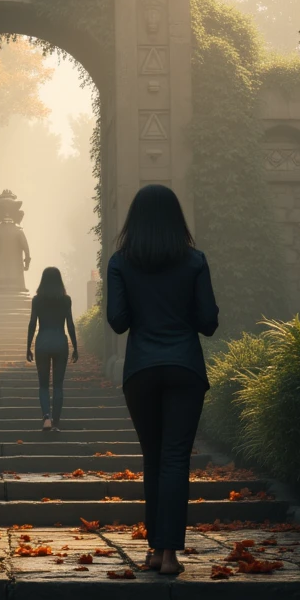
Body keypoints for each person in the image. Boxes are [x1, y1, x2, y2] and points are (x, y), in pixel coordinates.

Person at [107, 184, 219, 576]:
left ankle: (155, 551)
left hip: (141, 370)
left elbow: (118, 322)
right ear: (177, 219)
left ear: (134, 220)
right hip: (185, 367)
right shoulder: (195, 261)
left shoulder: (121, 262)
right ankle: (170, 554)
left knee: (153, 457)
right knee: (175, 458)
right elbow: (208, 323)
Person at [26, 266, 78, 432]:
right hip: (60, 342)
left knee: (43, 386)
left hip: (42, 341)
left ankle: (46, 417)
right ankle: (56, 422)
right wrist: (75, 346)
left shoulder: (37, 300)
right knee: (58, 386)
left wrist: (28, 346)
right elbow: (70, 324)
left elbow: (33, 323)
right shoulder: (66, 300)